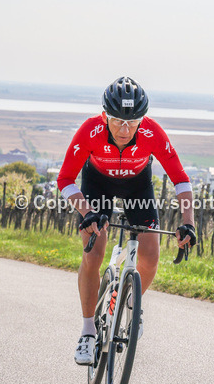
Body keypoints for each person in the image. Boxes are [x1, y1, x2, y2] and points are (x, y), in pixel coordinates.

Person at [57, 77, 197, 365]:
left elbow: (180, 179)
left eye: (133, 122)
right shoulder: (90, 131)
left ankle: (133, 304)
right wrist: (87, 212)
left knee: (151, 255)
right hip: (98, 187)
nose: (125, 129)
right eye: (118, 121)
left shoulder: (152, 132)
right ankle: (87, 331)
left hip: (138, 187)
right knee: (93, 255)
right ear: (105, 115)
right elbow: (65, 179)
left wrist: (188, 222)